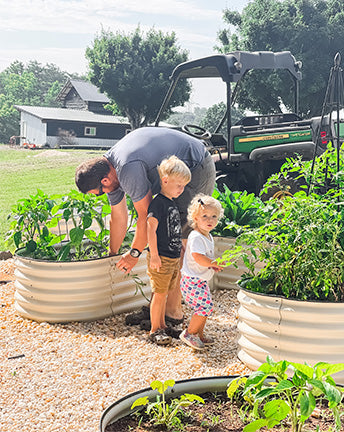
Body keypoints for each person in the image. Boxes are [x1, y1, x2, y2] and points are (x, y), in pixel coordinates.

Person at [75, 127, 216, 322]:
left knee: (175, 243)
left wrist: (133, 254)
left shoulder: (127, 169)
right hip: (174, 170)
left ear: (105, 180)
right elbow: (118, 216)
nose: (102, 194)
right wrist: (112, 254)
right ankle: (156, 308)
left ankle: (172, 313)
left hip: (194, 167)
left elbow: (147, 218)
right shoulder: (110, 170)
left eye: (99, 192)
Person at [146, 156, 191, 345]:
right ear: (165, 181)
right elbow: (151, 229)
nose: (181, 190)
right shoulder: (159, 203)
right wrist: (154, 255)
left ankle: (163, 325)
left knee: (166, 291)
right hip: (161, 257)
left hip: (172, 256)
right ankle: (154, 329)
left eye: (183, 186)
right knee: (160, 293)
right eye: (178, 185)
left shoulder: (172, 202)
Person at [179, 194, 224, 351]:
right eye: (204, 216)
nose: (209, 220)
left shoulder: (207, 235)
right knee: (204, 307)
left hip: (199, 280)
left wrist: (212, 265)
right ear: (195, 218)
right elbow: (198, 257)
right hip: (192, 281)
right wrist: (213, 263)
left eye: (213, 216)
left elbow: (203, 258)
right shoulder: (197, 237)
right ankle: (190, 333)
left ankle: (199, 334)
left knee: (205, 307)